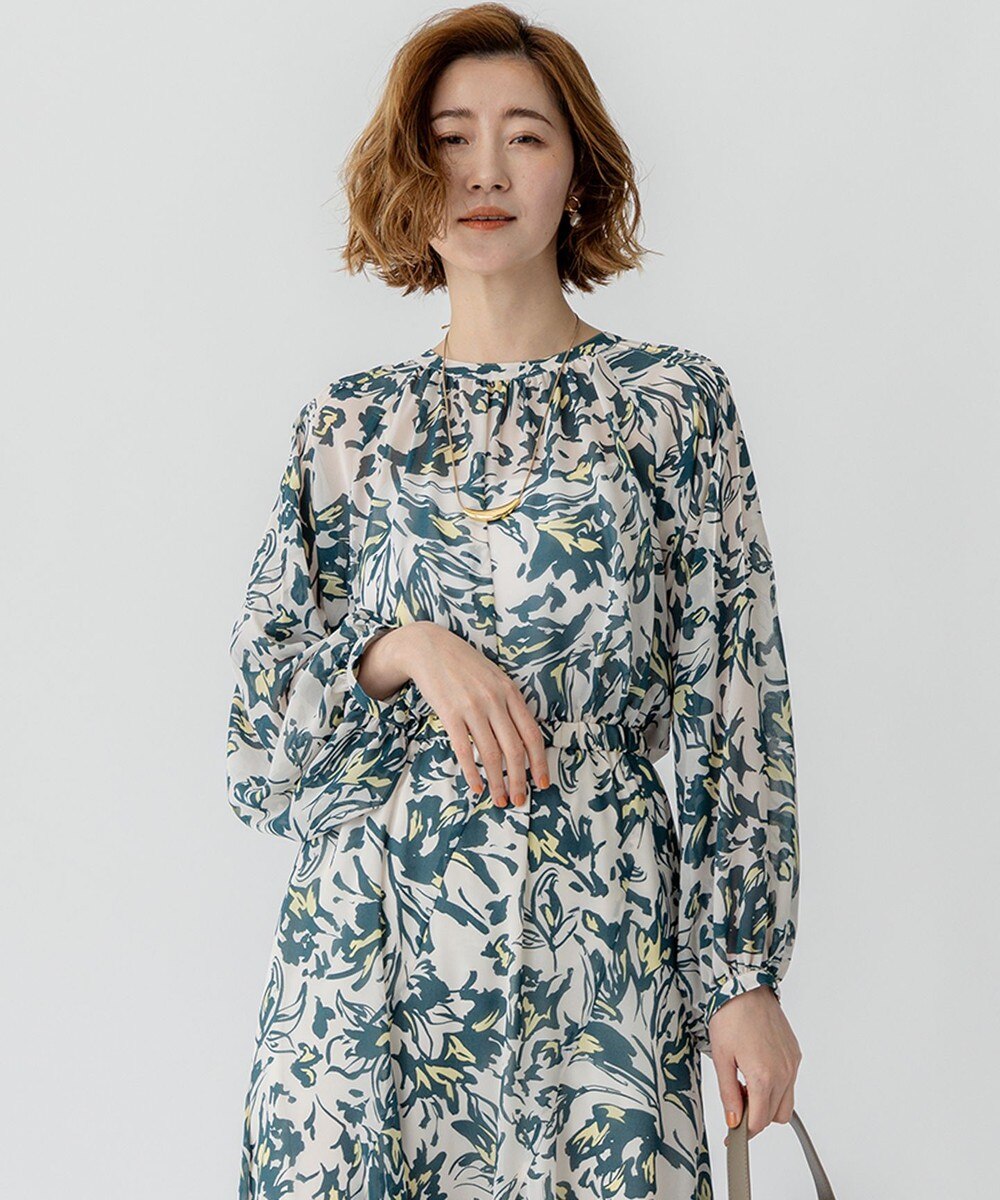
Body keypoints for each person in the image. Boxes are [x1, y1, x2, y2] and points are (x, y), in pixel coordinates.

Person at [225, 5, 801, 1198]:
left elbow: (735, 702)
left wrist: (742, 977)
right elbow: (256, 750)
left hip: (600, 951)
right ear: (407, 167)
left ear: (577, 174)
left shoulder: (670, 405)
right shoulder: (348, 426)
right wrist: (401, 649)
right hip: (368, 966)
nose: (483, 171)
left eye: (524, 137)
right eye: (449, 138)